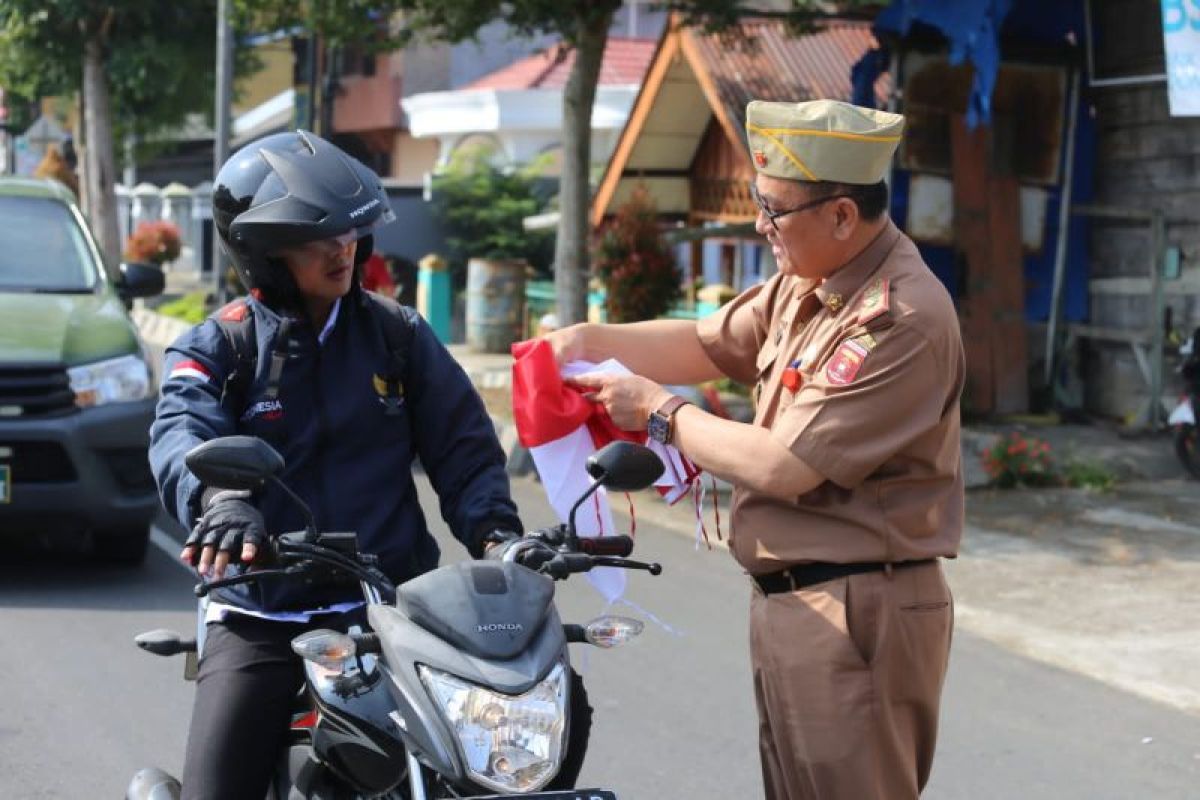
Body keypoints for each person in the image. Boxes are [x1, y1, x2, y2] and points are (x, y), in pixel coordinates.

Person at [547, 99, 963, 800]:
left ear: (840, 215)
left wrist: (659, 412)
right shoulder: (815, 279)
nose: (762, 227)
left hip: (857, 609)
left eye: (776, 211)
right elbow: (710, 341)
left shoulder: (897, 318)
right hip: (795, 602)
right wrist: (592, 339)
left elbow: (783, 465)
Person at [148, 129, 523, 800]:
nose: (343, 248)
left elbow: (462, 443)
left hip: (392, 610)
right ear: (263, 251)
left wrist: (498, 534)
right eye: (318, 235)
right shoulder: (220, 346)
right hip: (263, 611)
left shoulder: (397, 335)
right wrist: (223, 503)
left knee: (480, 769)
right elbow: (182, 429)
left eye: (350, 233)